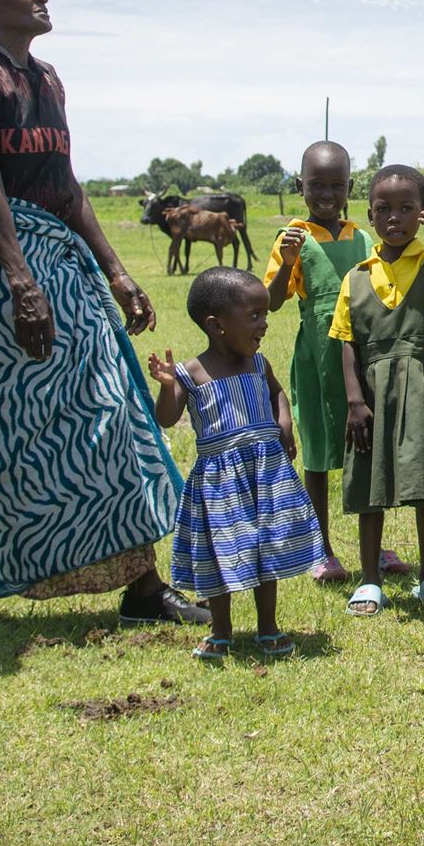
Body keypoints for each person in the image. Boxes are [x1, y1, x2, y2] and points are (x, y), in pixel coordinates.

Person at [0, 0, 194, 629]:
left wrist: (116, 270)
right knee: (6, 428)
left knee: (110, 413)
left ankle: (142, 587)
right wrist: (21, 282)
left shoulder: (47, 78)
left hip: (61, 256)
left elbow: (68, 182)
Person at [150, 268, 325, 661]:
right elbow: (165, 418)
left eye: (264, 315)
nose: (263, 324)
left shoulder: (258, 364)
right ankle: (221, 630)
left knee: (265, 549)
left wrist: (284, 425)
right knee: (218, 553)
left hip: (264, 474)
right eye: (254, 316)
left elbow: (277, 393)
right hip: (219, 481)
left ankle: (268, 628)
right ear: (216, 325)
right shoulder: (191, 373)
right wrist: (165, 387)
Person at [328, 164, 424, 616]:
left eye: (407, 208)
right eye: (384, 209)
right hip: (371, 392)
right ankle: (369, 580)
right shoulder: (356, 276)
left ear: (423, 214)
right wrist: (354, 401)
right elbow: (348, 343)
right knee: (371, 481)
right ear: (369, 215)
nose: (395, 218)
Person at [263, 140, 373, 585]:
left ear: (350, 186)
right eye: (315, 185)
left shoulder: (363, 235)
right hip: (316, 356)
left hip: (361, 352)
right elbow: (271, 302)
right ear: (299, 186)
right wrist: (287, 261)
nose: (326, 195)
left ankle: (374, 544)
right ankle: (320, 549)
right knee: (317, 450)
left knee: (364, 449)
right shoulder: (293, 236)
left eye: (335, 185)